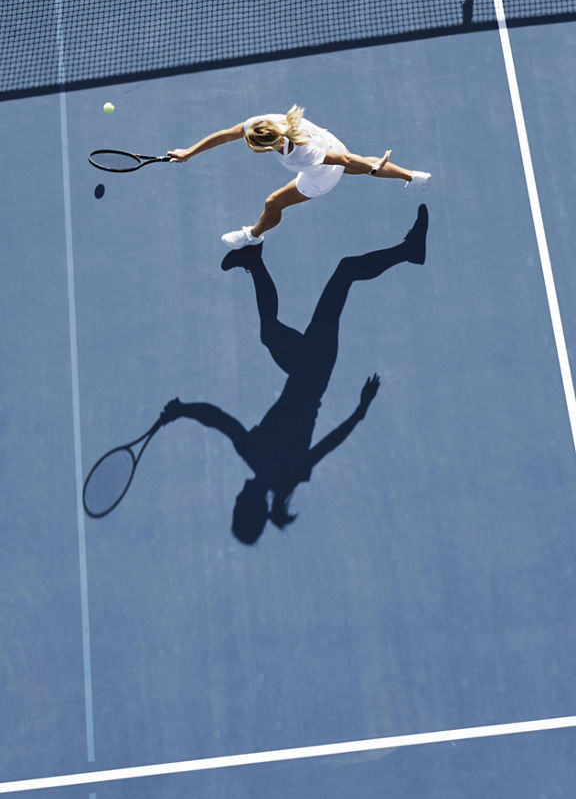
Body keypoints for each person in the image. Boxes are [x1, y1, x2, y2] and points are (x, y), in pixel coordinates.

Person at [160, 206, 428, 544]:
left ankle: (254, 261)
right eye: (239, 506)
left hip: (311, 370)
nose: (237, 499)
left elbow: (220, 420)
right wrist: (181, 410)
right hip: (313, 367)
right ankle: (409, 250)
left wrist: (359, 413)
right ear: (249, 507)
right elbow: (220, 420)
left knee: (270, 332)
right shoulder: (260, 460)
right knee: (343, 273)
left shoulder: (277, 472)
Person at [167, 104, 431, 247]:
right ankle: (413, 175)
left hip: (321, 176)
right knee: (359, 164)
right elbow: (227, 134)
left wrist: (372, 168)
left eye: (252, 147)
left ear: (271, 146)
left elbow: (344, 160)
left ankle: (252, 236)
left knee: (273, 203)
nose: (247, 144)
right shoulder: (264, 123)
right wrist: (189, 152)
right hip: (331, 142)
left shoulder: (300, 154)